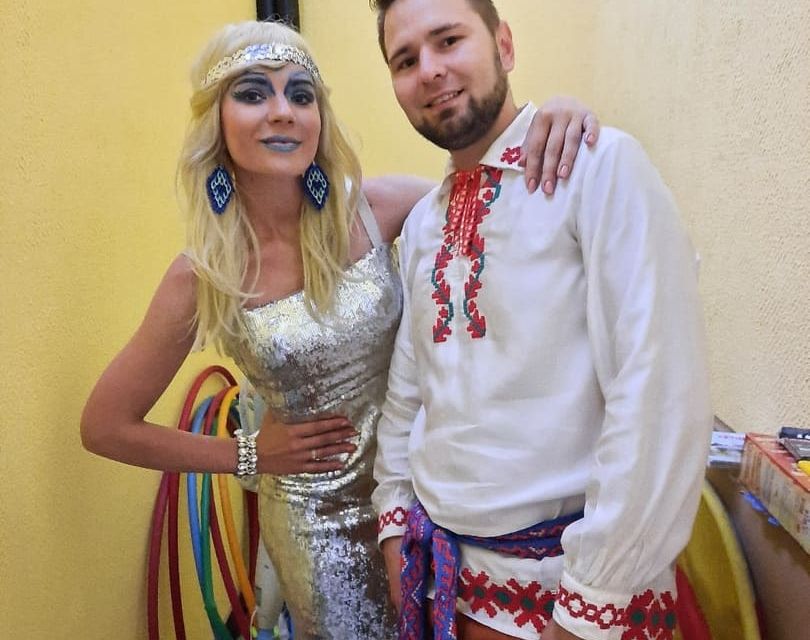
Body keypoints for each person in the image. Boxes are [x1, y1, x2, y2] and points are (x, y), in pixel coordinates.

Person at [80, 18, 600, 640]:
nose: (282, 111)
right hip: (321, 532)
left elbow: (499, 195)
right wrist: (249, 455)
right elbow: (105, 425)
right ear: (215, 120)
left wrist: (553, 117)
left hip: (430, 503)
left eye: (301, 94)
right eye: (252, 93)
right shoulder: (204, 275)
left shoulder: (381, 209)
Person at [368, 1, 713, 640]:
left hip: (571, 596)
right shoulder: (422, 226)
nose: (430, 70)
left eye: (449, 40)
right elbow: (407, 395)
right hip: (445, 584)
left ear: (503, 44)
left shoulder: (599, 169)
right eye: (405, 60)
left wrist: (590, 603)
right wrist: (393, 522)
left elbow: (656, 392)